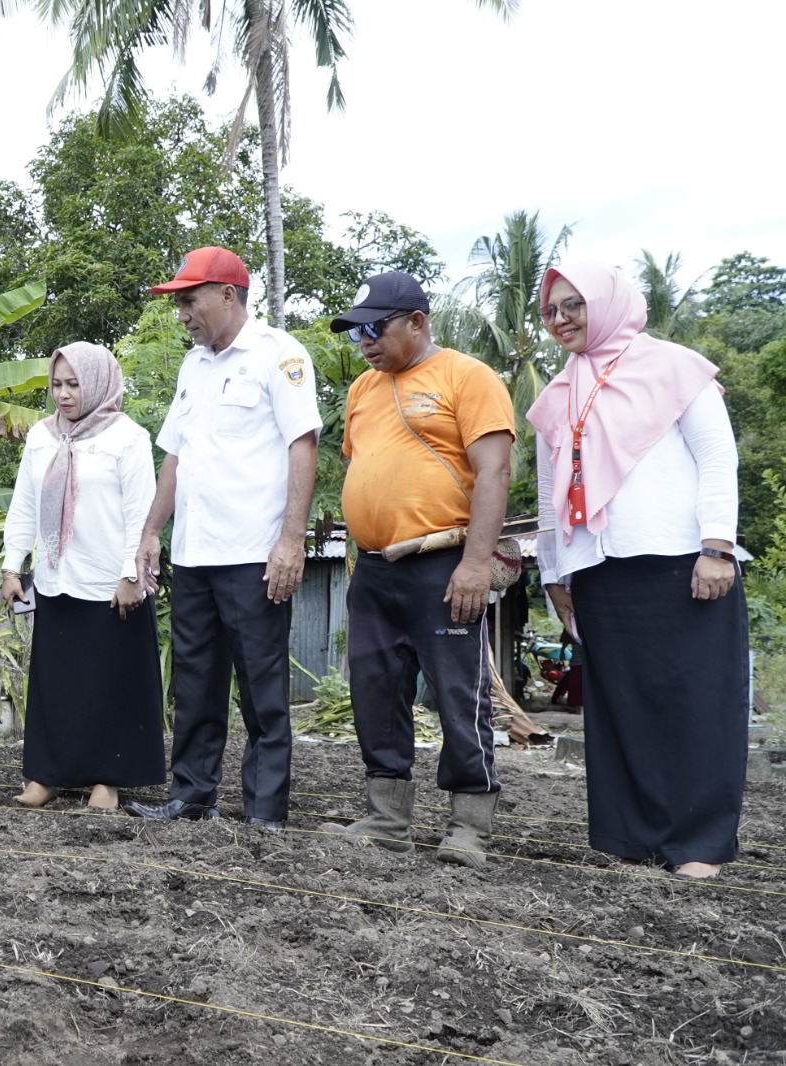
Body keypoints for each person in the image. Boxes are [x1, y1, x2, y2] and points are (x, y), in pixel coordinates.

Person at [527, 262, 746, 881]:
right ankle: (631, 839)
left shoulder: (677, 367)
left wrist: (717, 546)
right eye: (551, 310)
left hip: (684, 562)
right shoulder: (558, 393)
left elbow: (716, 458)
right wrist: (555, 575)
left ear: (610, 302)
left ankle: (699, 844)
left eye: (574, 305)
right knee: (621, 705)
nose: (561, 319)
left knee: (696, 704)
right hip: (599, 569)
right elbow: (550, 494)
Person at [321, 271, 513, 866]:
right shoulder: (363, 390)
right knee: (374, 689)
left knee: (460, 692)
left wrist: (476, 563)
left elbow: (495, 473)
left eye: (376, 329)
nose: (366, 343)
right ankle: (385, 818)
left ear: (417, 322)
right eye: (358, 333)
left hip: (444, 564)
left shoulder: (467, 376)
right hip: (376, 569)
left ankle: (469, 826)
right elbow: (370, 466)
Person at [125, 247, 321, 830]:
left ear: (227, 294)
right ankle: (192, 795)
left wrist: (291, 541)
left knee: (261, 689)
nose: (181, 313)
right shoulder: (194, 367)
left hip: (252, 556)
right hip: (195, 555)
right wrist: (152, 531)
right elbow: (174, 458)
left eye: (188, 300)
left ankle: (264, 813)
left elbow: (302, 445)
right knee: (195, 683)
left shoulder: (278, 355)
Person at [1, 342, 165, 810]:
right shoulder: (41, 436)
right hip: (56, 578)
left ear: (97, 382)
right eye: (56, 384)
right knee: (57, 684)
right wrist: (13, 567)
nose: (64, 394)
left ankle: (106, 781)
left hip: (110, 584)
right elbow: (24, 507)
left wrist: (132, 576)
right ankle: (47, 776)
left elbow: (141, 515)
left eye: (74, 383)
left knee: (109, 683)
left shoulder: (127, 437)